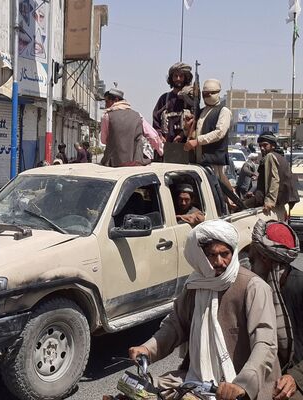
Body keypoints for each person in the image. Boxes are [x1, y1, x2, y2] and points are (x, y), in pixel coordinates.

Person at [128, 220, 280, 400]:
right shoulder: (195, 285)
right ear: (201, 256)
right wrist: (147, 348)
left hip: (240, 385)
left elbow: (265, 343)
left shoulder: (253, 287)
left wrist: (242, 383)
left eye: (225, 254)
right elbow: (176, 325)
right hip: (199, 379)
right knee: (139, 393)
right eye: (211, 255)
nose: (219, 262)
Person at [249, 220, 303, 400]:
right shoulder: (254, 288)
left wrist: (295, 377)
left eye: (252, 260)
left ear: (265, 259)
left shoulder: (299, 286)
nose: (250, 267)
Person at [183, 79, 232, 189]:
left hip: (213, 160)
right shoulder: (201, 111)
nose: (207, 96)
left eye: (210, 93)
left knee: (219, 190)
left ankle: (232, 203)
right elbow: (193, 133)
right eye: (204, 94)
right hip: (199, 160)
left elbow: (219, 133)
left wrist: (197, 141)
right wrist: (187, 127)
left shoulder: (223, 111)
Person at [244, 133, 298, 221]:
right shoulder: (281, 157)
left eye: (265, 145)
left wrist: (269, 201)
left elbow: (274, 179)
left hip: (266, 204)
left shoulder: (270, 156)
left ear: (273, 146)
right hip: (279, 206)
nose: (262, 148)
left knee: (238, 207)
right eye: (260, 145)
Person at [100, 88, 157, 167]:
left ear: (115, 100)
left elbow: (103, 141)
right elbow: (153, 136)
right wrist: (161, 151)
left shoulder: (106, 116)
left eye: (107, 101)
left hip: (113, 163)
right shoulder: (138, 115)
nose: (105, 105)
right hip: (136, 163)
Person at [152, 62, 198, 143]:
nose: (178, 79)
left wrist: (182, 134)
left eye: (181, 76)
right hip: (165, 144)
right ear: (171, 78)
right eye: (175, 76)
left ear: (186, 78)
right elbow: (156, 119)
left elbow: (195, 119)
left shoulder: (190, 100)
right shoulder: (164, 98)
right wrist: (160, 136)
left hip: (185, 145)